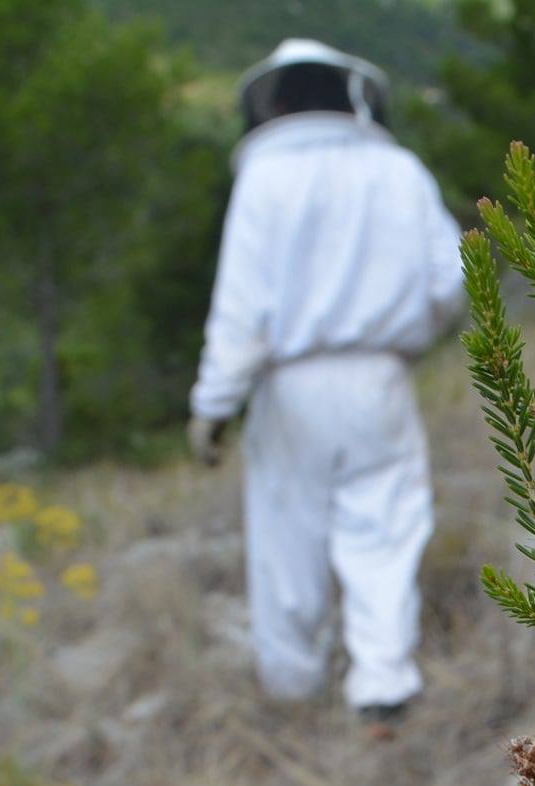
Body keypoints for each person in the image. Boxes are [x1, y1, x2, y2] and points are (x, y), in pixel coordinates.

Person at [186, 39, 465, 722]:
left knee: (289, 539)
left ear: (274, 100)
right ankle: (383, 683)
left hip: (289, 390)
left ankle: (294, 689)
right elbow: (453, 278)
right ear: (348, 94)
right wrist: (407, 334)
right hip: (381, 379)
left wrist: (212, 405)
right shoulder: (399, 170)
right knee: (386, 526)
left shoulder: (265, 179)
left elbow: (242, 307)